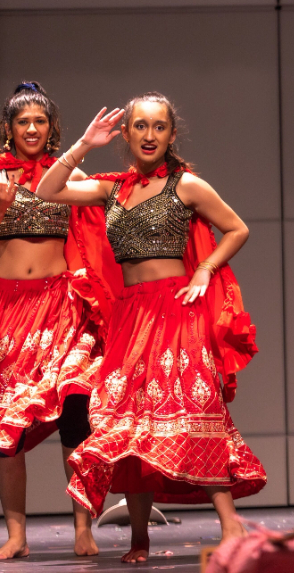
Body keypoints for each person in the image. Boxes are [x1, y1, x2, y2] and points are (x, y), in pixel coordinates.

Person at [37, 94, 264, 563]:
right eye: (140, 126)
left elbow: (237, 228)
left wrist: (205, 269)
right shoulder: (112, 189)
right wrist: (82, 144)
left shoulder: (188, 186)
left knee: (193, 410)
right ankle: (140, 538)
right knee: (127, 424)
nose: (149, 135)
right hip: (131, 315)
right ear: (127, 134)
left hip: (178, 309)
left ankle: (231, 525)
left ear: (171, 135)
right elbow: (47, 190)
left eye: (159, 127)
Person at [0, 83, 105, 559]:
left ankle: (84, 526)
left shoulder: (68, 174)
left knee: (73, 415)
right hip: (8, 313)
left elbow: (105, 221)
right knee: (6, 429)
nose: (31, 129)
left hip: (60, 306)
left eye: (39, 121)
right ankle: (16, 536)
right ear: (9, 129)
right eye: (22, 122)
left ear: (51, 127)